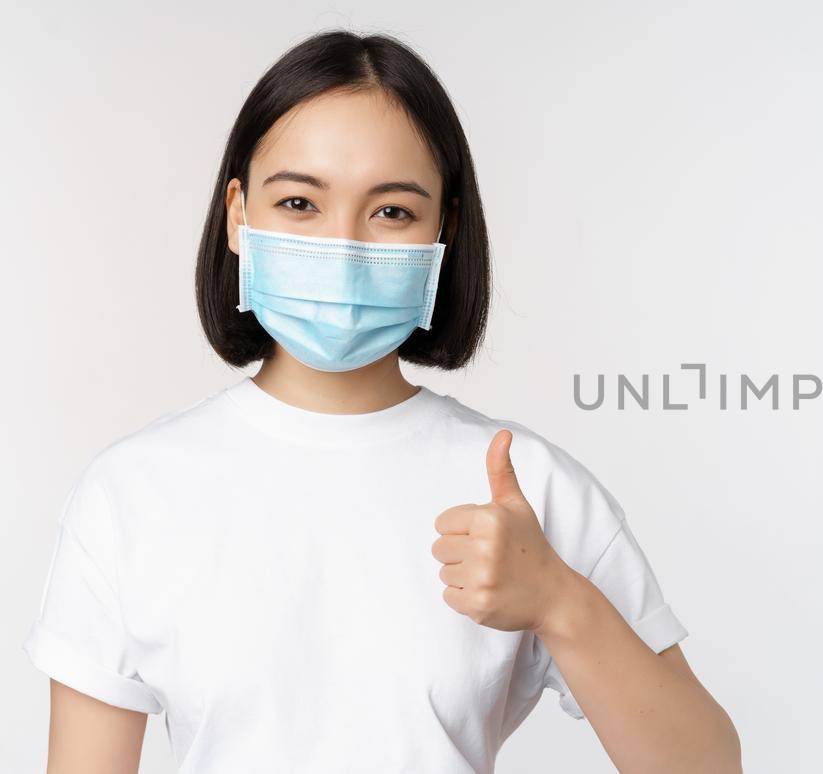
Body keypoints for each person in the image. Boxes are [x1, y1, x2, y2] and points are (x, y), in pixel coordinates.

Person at [21, 29, 740, 773]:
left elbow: (707, 766)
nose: (344, 246)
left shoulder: (526, 491)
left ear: (444, 229)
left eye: (391, 212)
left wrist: (560, 601)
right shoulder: (133, 493)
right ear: (239, 216)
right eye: (299, 202)